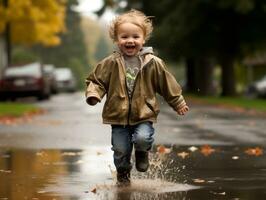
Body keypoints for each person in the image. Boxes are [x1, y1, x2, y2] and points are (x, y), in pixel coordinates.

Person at [85, 9, 189, 186]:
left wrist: (177, 102)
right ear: (117, 39)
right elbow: (96, 81)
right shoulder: (110, 62)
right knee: (120, 150)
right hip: (118, 116)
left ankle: (142, 152)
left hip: (143, 114)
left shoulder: (153, 62)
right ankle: (123, 172)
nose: (130, 40)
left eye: (135, 36)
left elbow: (166, 83)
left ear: (143, 39)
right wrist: (94, 94)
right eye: (124, 37)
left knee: (142, 139)